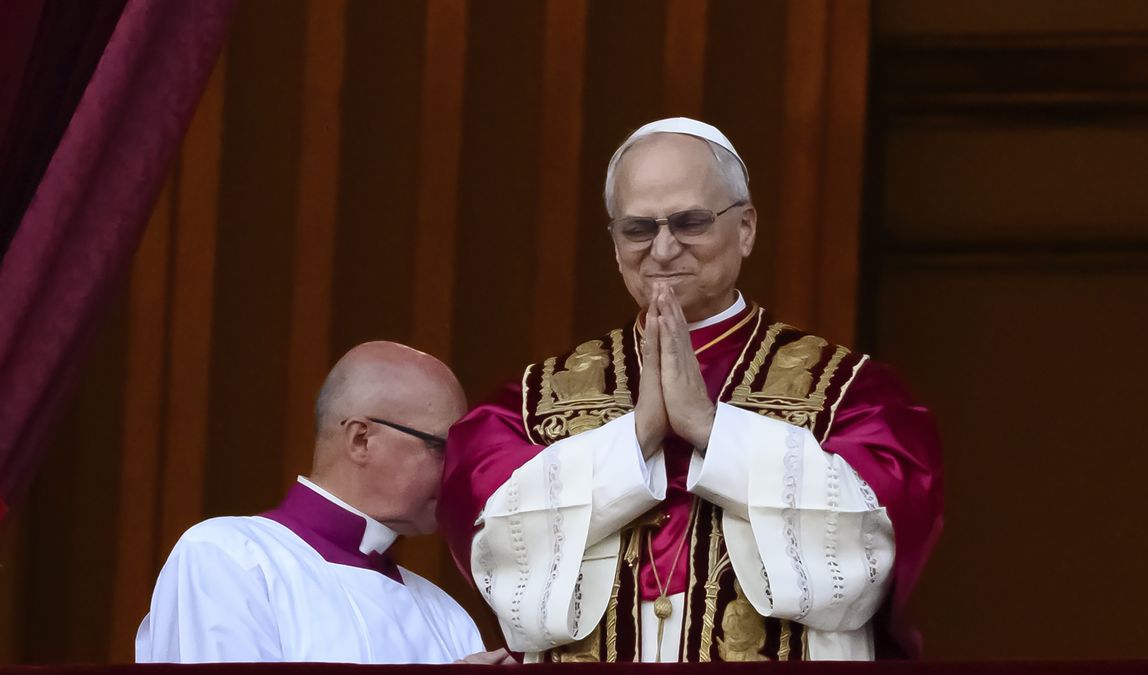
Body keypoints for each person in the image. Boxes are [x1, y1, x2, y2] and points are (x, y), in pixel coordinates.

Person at [438, 118, 943, 662]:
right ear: (613, 243)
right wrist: (638, 435)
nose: (662, 249)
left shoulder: (849, 391)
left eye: (690, 222)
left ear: (745, 228)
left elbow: (872, 541)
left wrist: (710, 428)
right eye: (638, 228)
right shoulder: (532, 401)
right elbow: (491, 539)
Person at [136, 342, 508, 664]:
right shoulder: (228, 558)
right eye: (441, 448)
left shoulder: (446, 616)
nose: (456, 473)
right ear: (361, 439)